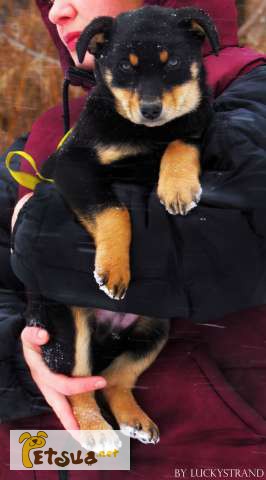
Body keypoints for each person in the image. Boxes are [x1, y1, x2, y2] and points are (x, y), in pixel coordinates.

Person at [2, 0, 266, 478]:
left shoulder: (252, 93)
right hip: (45, 453)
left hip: (198, 455)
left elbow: (225, 239)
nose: (58, 10)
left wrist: (33, 223)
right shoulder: (47, 130)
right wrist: (22, 357)